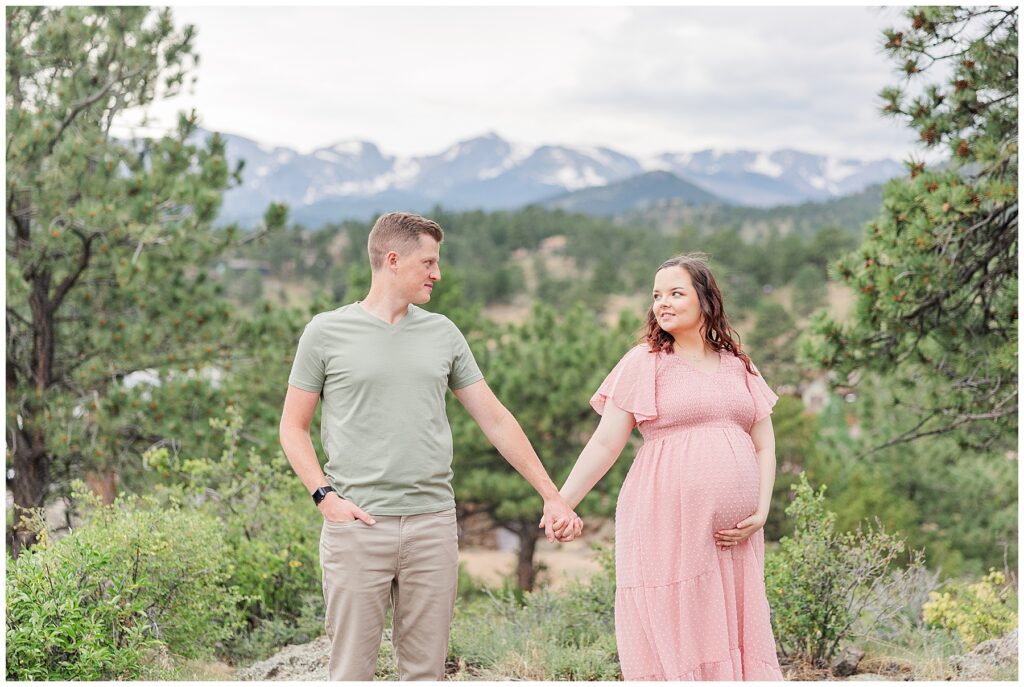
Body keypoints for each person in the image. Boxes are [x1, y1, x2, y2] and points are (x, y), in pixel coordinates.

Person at [279, 212, 582, 681]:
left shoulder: (444, 333)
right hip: (358, 528)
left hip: (432, 527)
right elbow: (292, 428)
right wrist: (324, 497)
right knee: (349, 674)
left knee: (425, 675)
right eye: (429, 262)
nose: (437, 274)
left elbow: (496, 419)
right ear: (393, 260)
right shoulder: (325, 331)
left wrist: (552, 494)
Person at [542, 253, 785, 681]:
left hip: (737, 536)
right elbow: (604, 443)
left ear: (706, 300)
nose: (662, 303)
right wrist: (562, 502)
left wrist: (761, 512)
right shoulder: (645, 361)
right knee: (679, 622)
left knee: (732, 621)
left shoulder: (739, 364)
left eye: (676, 292)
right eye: (656, 295)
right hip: (665, 519)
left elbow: (764, 445)